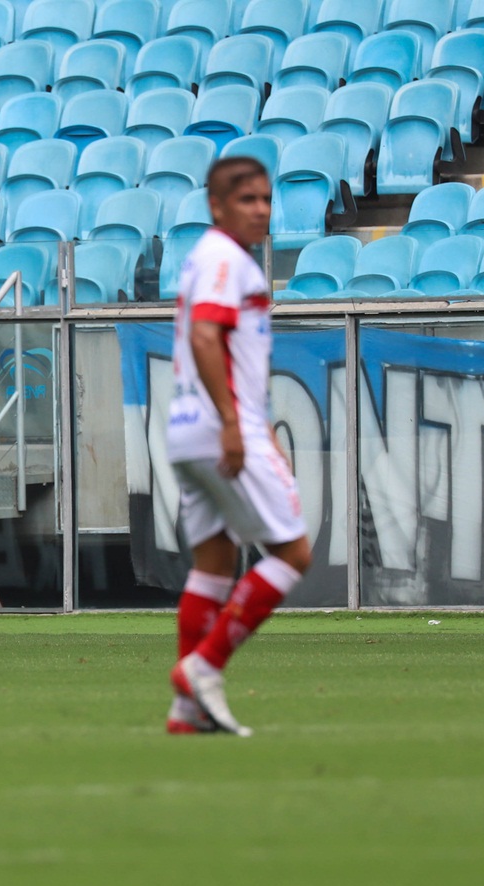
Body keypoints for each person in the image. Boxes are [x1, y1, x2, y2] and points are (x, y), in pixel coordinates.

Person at [165, 156, 313, 736]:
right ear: (217, 206)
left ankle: (186, 708)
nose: (261, 210)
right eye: (247, 200)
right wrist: (235, 423)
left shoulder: (206, 256)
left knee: (214, 563)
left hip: (184, 425)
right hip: (218, 424)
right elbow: (206, 334)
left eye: (266, 199)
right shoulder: (227, 258)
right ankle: (204, 668)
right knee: (293, 553)